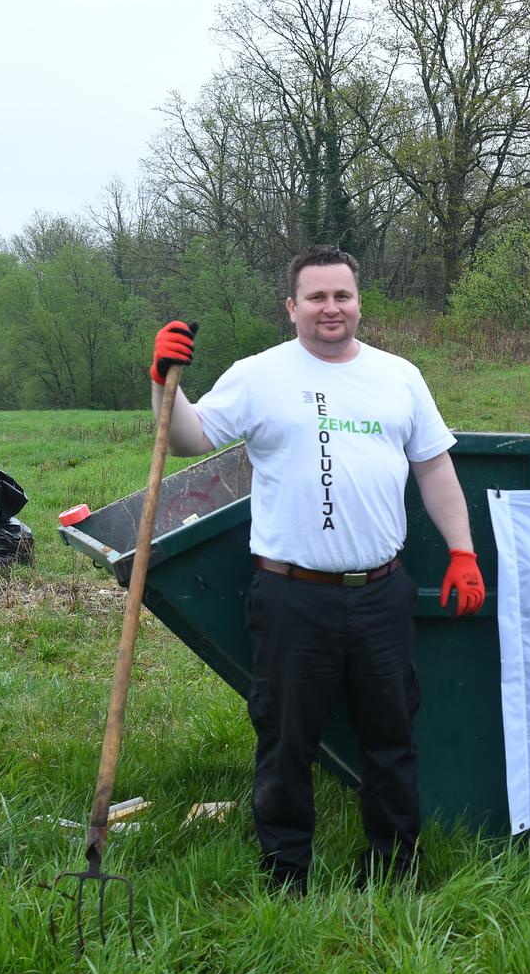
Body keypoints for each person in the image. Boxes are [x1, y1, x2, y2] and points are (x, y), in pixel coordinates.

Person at [148, 245, 485, 896]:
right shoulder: (258, 375)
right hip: (291, 595)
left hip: (381, 592)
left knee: (392, 737)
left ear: (358, 302)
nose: (331, 308)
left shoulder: (399, 376)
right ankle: (285, 872)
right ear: (292, 306)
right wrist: (165, 381)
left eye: (342, 296)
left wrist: (462, 553)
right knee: (285, 740)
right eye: (317, 297)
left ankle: (394, 868)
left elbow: (434, 467)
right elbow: (189, 438)